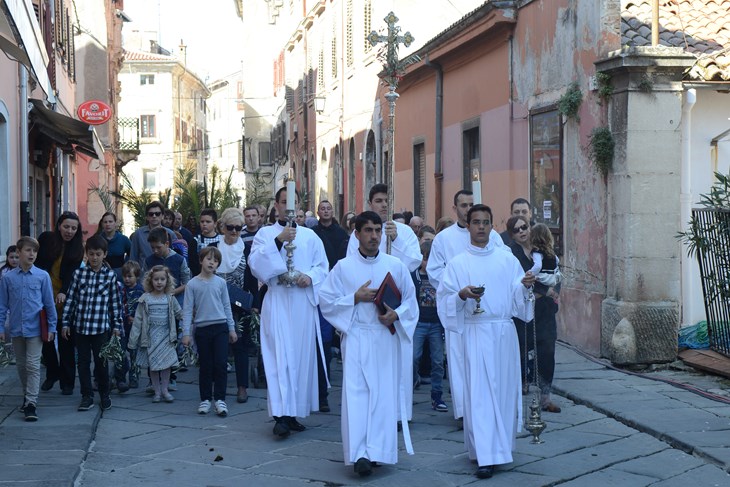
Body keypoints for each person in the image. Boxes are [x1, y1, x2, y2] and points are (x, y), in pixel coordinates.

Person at [437, 204, 535, 479]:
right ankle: (484, 455)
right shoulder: (458, 263)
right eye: (476, 222)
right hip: (476, 333)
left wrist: (525, 286)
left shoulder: (507, 260)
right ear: (467, 226)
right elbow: (444, 299)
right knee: (479, 394)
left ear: (493, 226)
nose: (481, 227)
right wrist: (461, 295)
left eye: (486, 222)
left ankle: (500, 449)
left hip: (502, 334)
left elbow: (519, 301)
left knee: (502, 393)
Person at [319, 211, 418, 477]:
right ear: (357, 233)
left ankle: (379, 451)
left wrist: (396, 315)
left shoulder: (395, 265)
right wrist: (354, 297)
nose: (374, 236)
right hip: (357, 337)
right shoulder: (343, 267)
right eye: (368, 231)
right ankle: (359, 453)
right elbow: (326, 301)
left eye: (377, 230)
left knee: (383, 396)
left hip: (384, 337)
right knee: (357, 396)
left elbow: (411, 301)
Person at [249, 186, 329, 438]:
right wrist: (279, 240)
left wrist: (310, 276)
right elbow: (255, 265)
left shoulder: (310, 236)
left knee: (301, 359)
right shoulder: (265, 234)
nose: (288, 206)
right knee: (279, 357)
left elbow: (323, 267)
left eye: (292, 202)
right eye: (284, 202)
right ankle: (280, 415)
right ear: (276, 204)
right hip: (278, 301)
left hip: (302, 303)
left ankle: (293, 413)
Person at [427, 190, 504, 423]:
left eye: (471, 204)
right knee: (459, 361)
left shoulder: (494, 238)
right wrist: (457, 290)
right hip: (458, 310)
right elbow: (434, 271)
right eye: (463, 205)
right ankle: (462, 410)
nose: (467, 208)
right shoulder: (443, 239)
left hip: (485, 311)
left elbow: (501, 264)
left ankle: (487, 406)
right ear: (455, 208)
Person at [347, 184, 422, 423]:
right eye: (378, 200)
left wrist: (396, 239)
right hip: (369, 305)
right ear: (370, 203)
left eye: (386, 200)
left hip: (396, 303)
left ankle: (400, 413)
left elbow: (413, 261)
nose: (383, 205)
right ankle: (376, 410)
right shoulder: (357, 234)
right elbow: (352, 265)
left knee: (400, 362)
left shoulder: (404, 231)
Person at [60, 235, 123, 412]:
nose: (94, 258)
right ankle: (86, 395)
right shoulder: (79, 274)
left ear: (105, 254)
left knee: (101, 363)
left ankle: (104, 394)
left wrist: (117, 326)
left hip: (100, 328)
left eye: (98, 254)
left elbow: (115, 304)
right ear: (86, 254)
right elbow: (71, 299)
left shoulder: (109, 276)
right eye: (91, 254)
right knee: (83, 363)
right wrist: (65, 322)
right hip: (81, 328)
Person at [507, 216, 561, 413]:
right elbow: (519, 278)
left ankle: (546, 396)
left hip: (544, 310)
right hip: (522, 311)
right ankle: (521, 384)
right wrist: (544, 290)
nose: (522, 231)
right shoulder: (512, 254)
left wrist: (552, 292)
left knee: (547, 351)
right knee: (521, 348)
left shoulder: (544, 248)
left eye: (525, 226)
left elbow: (556, 274)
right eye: (516, 229)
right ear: (512, 235)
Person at [0, 237, 57, 421]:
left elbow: (49, 303)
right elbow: (2, 305)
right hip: (17, 328)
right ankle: (27, 396)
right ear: (19, 252)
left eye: (34, 251)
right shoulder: (8, 278)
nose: (31, 254)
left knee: (33, 365)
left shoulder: (42, 276)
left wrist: (52, 326)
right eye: (28, 250)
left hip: (35, 329)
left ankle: (31, 403)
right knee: (22, 366)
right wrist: (1, 327)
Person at [182, 246, 237, 417]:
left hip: (220, 327)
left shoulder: (220, 283)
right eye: (209, 258)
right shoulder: (192, 284)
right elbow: (187, 309)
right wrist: (186, 333)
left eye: (215, 260)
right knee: (205, 365)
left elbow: (227, 306)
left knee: (220, 364)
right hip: (202, 329)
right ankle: (205, 399)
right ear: (201, 260)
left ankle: (220, 399)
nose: (212, 262)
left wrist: (231, 328)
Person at [37, 211, 84, 395]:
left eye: (73, 228)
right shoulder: (46, 239)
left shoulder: (78, 249)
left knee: (66, 341)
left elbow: (72, 275)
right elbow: (38, 264)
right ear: (58, 226)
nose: (69, 231)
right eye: (66, 226)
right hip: (43, 296)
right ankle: (52, 373)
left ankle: (68, 381)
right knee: (46, 339)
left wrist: (64, 292)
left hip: (65, 298)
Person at [312, 199, 349, 412]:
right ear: (318, 212)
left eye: (329, 208)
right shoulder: (312, 233)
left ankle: (323, 390)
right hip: (316, 288)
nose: (326, 211)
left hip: (337, 285)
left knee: (326, 340)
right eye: (322, 208)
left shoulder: (341, 234)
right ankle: (316, 392)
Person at [128, 265, 182, 403]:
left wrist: (191, 319)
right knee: (154, 365)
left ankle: (165, 389)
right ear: (150, 281)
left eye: (162, 279)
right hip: (151, 336)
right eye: (156, 279)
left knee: (166, 365)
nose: (159, 282)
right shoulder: (145, 298)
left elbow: (179, 313)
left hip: (166, 336)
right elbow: (138, 320)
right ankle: (156, 391)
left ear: (167, 281)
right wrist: (133, 341)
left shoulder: (169, 298)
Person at [217, 207, 253, 404]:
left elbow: (253, 276)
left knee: (240, 346)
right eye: (230, 227)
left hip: (240, 305)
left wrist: (253, 303)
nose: (234, 231)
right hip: (217, 304)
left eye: (238, 228)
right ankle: (218, 388)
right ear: (223, 227)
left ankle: (242, 387)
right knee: (219, 348)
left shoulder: (247, 249)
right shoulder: (214, 248)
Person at [411, 239, 447, 412]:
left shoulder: (441, 277)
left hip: (435, 323)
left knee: (438, 361)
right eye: (425, 258)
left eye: (430, 259)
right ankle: (409, 388)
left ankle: (437, 395)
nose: (427, 262)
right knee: (413, 357)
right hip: (419, 322)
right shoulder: (414, 276)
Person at [145, 227, 190, 307]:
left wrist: (173, 292)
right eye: (153, 247)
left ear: (167, 244)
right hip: (155, 302)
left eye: (158, 247)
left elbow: (186, 283)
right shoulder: (149, 261)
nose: (155, 250)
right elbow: (145, 282)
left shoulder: (179, 260)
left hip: (176, 301)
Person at [117, 261, 144, 389]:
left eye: (130, 276)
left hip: (135, 327)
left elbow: (143, 309)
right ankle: (121, 377)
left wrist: (137, 319)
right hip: (122, 327)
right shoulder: (120, 289)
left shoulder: (141, 291)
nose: (127, 279)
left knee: (134, 353)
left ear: (137, 276)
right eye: (125, 276)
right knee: (120, 352)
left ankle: (134, 377)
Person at [97, 212, 131, 281]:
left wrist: (126, 267)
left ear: (115, 223)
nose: (108, 224)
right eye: (105, 222)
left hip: (119, 276)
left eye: (110, 221)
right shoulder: (97, 239)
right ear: (102, 224)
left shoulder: (123, 239)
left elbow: (133, 254)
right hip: (101, 275)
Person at [191, 208, 221, 276]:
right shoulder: (195, 240)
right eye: (202, 221)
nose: (204, 224)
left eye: (208, 222)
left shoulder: (221, 239)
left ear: (215, 224)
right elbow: (193, 263)